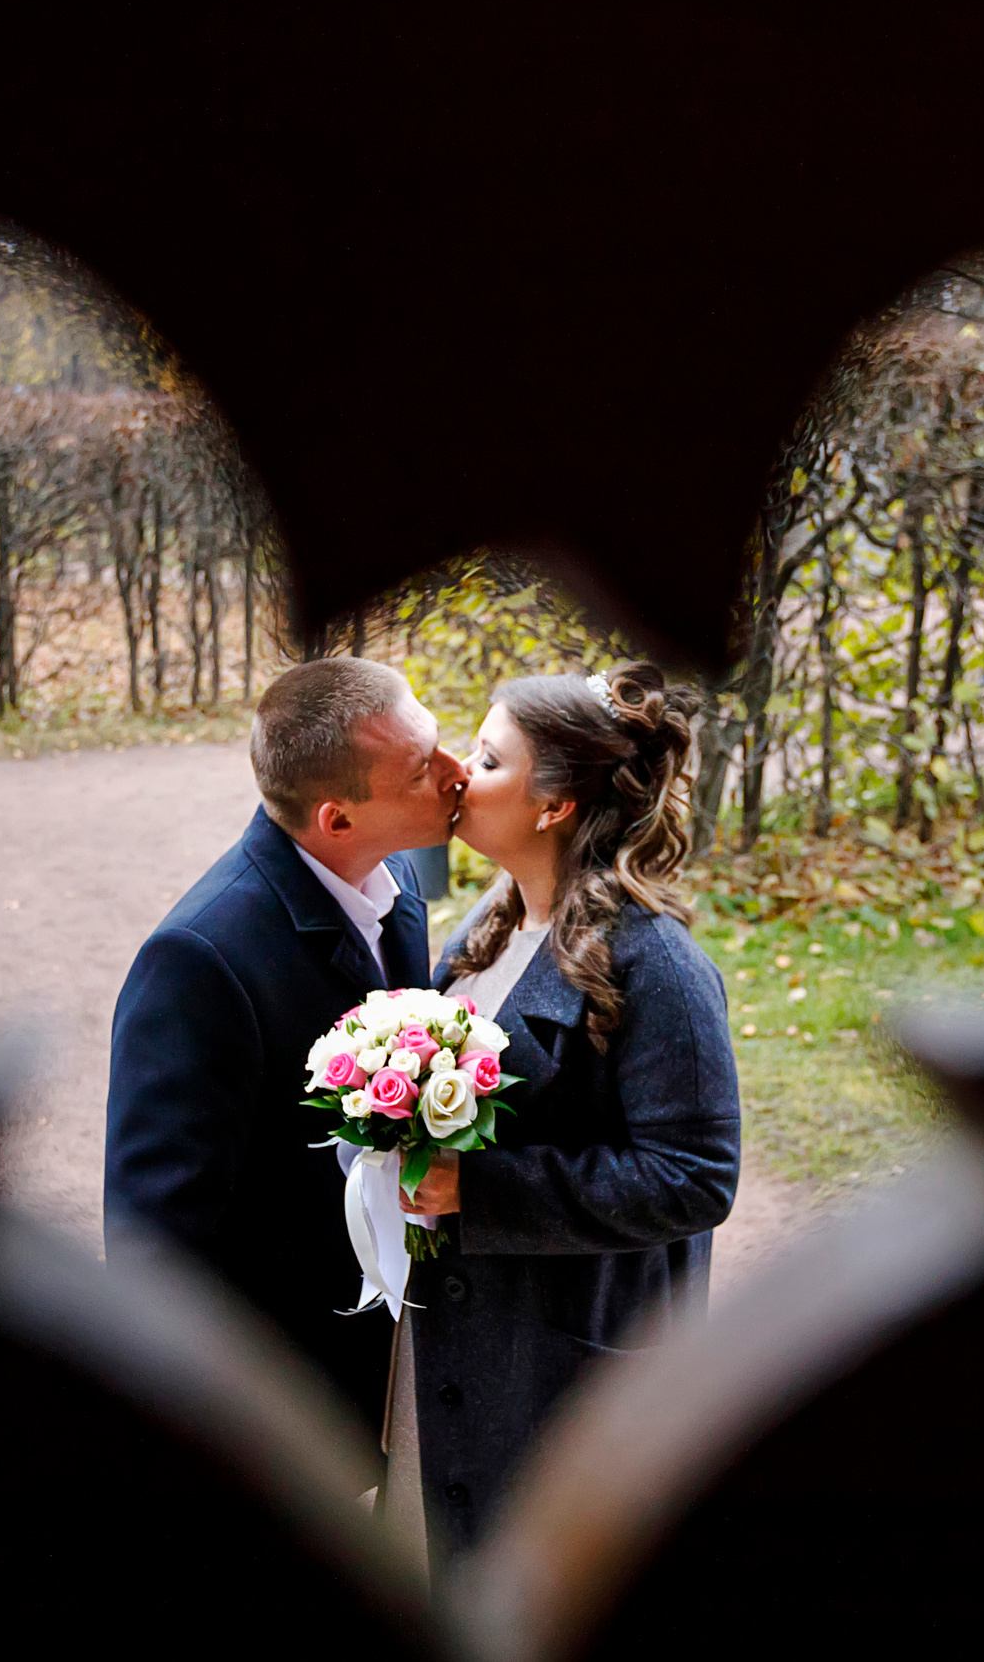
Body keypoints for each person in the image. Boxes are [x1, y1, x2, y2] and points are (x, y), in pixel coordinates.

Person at [379, 661, 738, 1575]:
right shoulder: (479, 935)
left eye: (490, 757)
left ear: (554, 806)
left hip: (566, 1371)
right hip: (456, 1341)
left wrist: (482, 1189)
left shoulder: (658, 966)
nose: (460, 767)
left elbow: (696, 1178)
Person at [103, 657, 467, 1422]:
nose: (455, 770)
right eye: (419, 769)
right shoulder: (198, 960)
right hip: (281, 1391)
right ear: (337, 817)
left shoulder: (394, 882)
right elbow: (154, 1245)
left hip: (394, 1353)